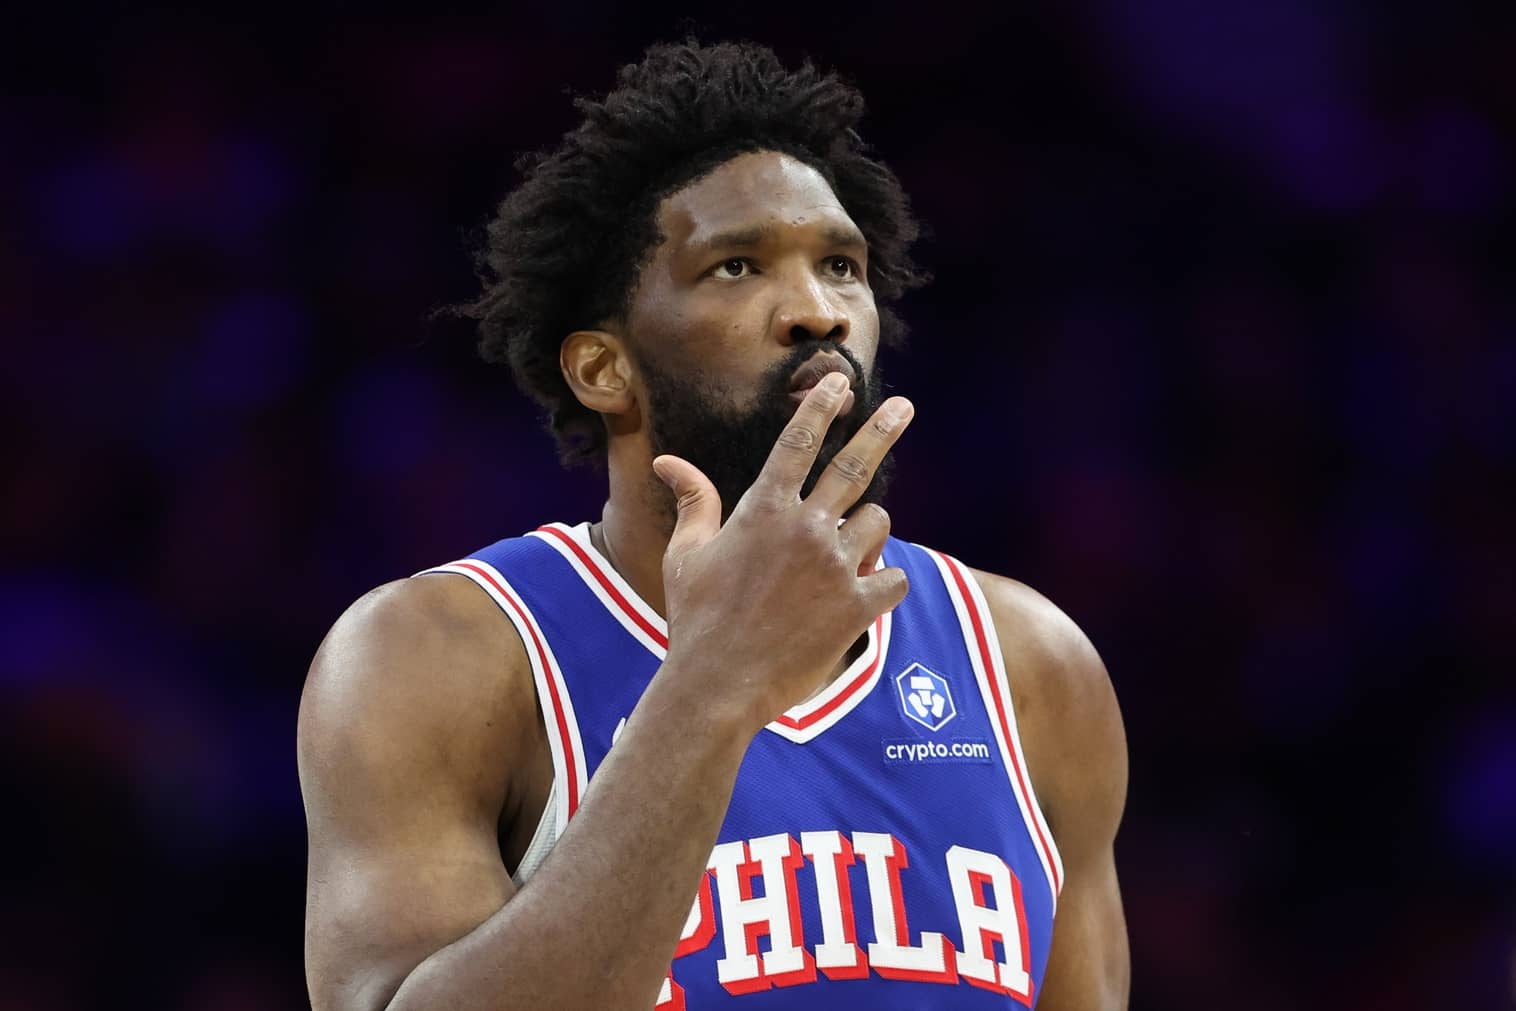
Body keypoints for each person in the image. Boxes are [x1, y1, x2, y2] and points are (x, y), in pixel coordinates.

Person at [298, 39, 1129, 1010]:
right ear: (602, 369)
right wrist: (712, 684)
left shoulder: (1028, 665)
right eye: (737, 267)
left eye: (842, 267)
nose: (816, 311)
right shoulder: (441, 653)